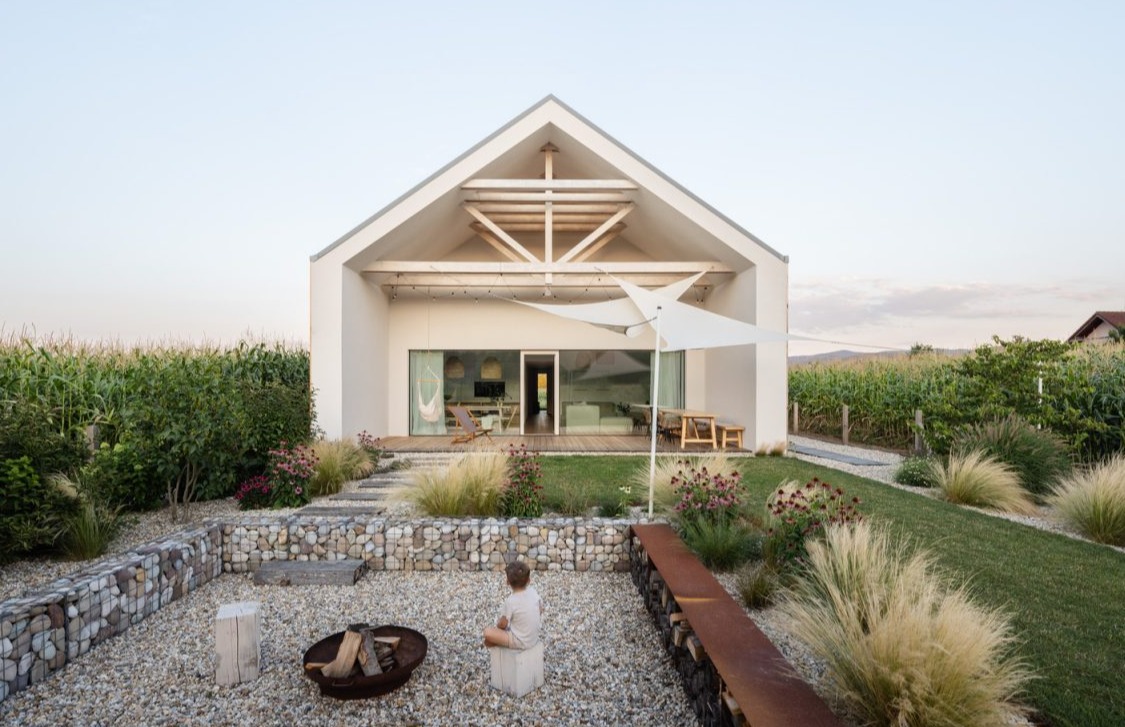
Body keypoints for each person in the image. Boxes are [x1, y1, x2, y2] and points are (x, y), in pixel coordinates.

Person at [483, 560, 543, 650]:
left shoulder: (511, 601)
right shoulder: (533, 592)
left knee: (487, 633)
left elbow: (503, 624)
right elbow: (540, 609)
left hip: (520, 641)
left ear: (507, 582)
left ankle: (502, 645)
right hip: (533, 638)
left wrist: (498, 629)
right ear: (529, 580)